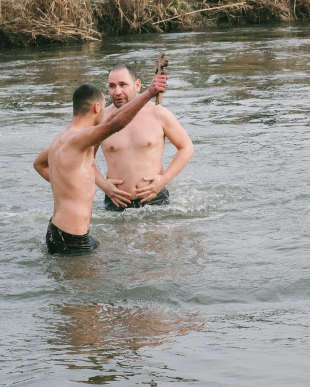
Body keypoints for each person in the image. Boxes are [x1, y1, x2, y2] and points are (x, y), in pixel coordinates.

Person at [33, 74, 168, 256]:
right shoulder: (80, 138)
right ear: (97, 108)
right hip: (71, 238)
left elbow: (39, 164)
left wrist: (67, 185)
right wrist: (148, 93)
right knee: (96, 284)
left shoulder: (63, 136)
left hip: (59, 231)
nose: (106, 112)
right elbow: (114, 124)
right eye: (105, 107)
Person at [95, 64, 194, 211]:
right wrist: (103, 185)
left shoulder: (158, 114)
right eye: (112, 86)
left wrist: (164, 180)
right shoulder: (101, 119)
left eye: (123, 85)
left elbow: (186, 147)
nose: (117, 91)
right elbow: (84, 155)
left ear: (137, 85)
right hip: (116, 200)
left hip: (155, 198)